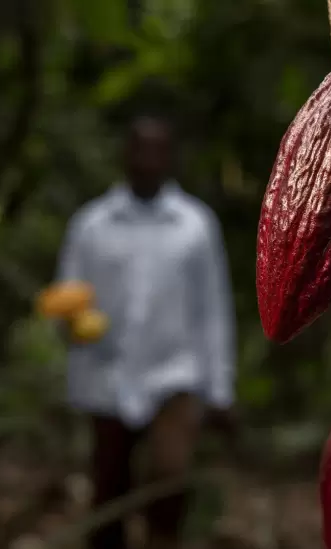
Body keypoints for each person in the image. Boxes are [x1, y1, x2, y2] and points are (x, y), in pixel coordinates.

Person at [56, 112, 237, 549]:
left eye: (158, 150)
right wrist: (74, 326)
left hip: (175, 374)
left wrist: (220, 389)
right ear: (125, 154)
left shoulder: (195, 226)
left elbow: (212, 309)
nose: (148, 159)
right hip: (107, 377)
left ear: (170, 157)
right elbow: (68, 299)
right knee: (109, 485)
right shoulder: (91, 225)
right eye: (140, 148)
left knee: (168, 482)